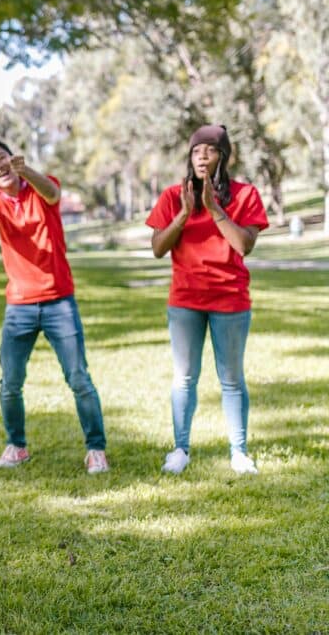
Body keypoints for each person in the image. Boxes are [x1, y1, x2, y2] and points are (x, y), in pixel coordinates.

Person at [0, 139, 109, 474]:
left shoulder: (42, 188)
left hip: (59, 300)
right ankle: (16, 445)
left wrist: (24, 169)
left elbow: (53, 193)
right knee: (10, 382)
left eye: (3, 158)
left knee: (78, 378)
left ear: (13, 159)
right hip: (20, 307)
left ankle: (96, 449)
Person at [146, 124, 268, 475]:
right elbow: (157, 248)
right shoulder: (172, 196)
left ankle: (239, 452)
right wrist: (185, 213)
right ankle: (180, 448)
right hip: (185, 299)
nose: (202, 155)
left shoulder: (245, 196)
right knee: (184, 377)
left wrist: (214, 208)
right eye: (197, 149)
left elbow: (244, 245)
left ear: (223, 157)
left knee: (231, 378)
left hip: (230, 299)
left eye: (210, 150)